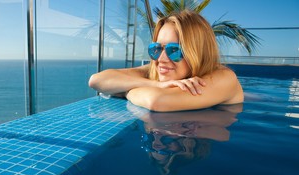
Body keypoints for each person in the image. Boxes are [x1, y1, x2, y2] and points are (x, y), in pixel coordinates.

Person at [89, 10, 244, 112]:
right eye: (157, 48)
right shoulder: (156, 68)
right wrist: (156, 84)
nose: (162, 59)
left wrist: (125, 90)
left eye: (174, 50)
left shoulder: (225, 78)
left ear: (197, 53)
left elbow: (157, 101)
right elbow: (97, 80)